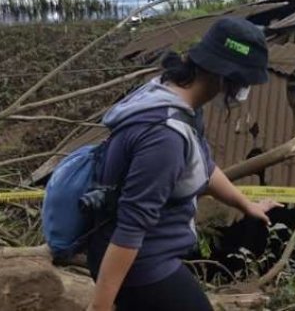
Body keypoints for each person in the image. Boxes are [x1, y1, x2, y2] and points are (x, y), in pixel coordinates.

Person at [86, 17, 281, 311]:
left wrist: (245, 204)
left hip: (143, 253)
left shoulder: (173, 96)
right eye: (245, 82)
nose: (245, 91)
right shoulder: (165, 137)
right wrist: (101, 306)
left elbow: (202, 166)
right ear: (226, 77)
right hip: (140, 262)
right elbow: (131, 227)